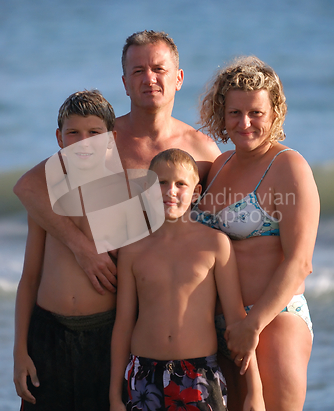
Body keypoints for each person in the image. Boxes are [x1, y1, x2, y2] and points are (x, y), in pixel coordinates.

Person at [13, 30, 220, 295]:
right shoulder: (103, 139)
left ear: (178, 78)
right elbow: (28, 188)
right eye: (138, 71)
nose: (149, 79)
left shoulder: (202, 150)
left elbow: (221, 223)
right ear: (124, 83)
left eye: (159, 69)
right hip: (111, 298)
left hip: (168, 298)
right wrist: (81, 248)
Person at [192, 56, 319, 411]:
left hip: (273, 319)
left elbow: (299, 263)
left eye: (255, 112)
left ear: (275, 111)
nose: (244, 123)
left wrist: (253, 325)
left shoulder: (289, 166)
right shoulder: (219, 165)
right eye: (234, 112)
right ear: (221, 113)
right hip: (222, 326)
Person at [109, 149, 266, 411]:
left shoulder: (215, 245)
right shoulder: (132, 250)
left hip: (200, 376)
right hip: (143, 377)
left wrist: (254, 390)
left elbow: (236, 322)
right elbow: (123, 325)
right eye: (161, 183)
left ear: (195, 193)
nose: (170, 191)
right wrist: (114, 397)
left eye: (180, 184)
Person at [13, 90, 120, 411]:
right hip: (48, 335)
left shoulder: (122, 195)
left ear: (111, 140)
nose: (83, 142)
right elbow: (29, 278)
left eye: (94, 133)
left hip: (103, 336)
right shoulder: (46, 198)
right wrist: (19, 351)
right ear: (59, 139)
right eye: (73, 133)